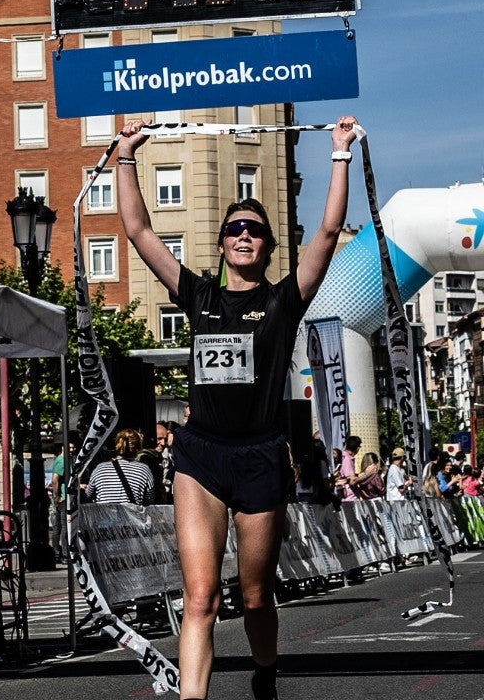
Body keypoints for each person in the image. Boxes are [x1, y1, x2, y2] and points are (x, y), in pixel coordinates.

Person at [116, 116, 357, 700]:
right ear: (222, 244)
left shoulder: (283, 300)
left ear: (268, 246)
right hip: (200, 458)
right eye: (234, 230)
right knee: (200, 598)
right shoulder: (198, 294)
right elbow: (141, 231)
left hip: (261, 457)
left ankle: (266, 673)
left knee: (255, 596)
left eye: (254, 230)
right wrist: (125, 157)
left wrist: (340, 154)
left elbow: (326, 233)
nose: (244, 235)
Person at [83, 429, 155, 505]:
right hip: (131, 516)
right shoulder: (144, 469)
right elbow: (150, 499)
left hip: (105, 515)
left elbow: (88, 495)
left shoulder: (100, 469)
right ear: (138, 448)